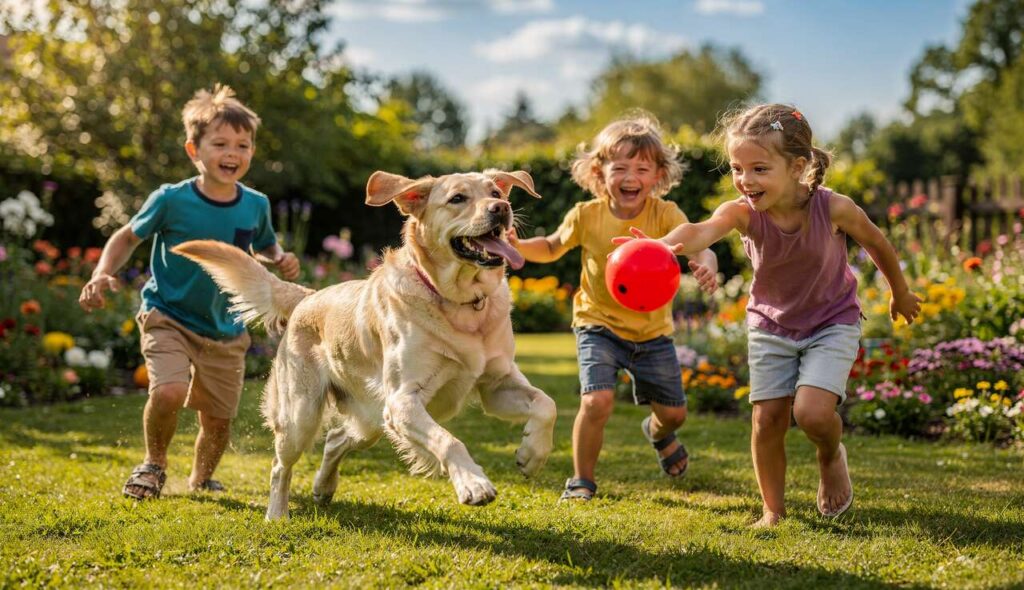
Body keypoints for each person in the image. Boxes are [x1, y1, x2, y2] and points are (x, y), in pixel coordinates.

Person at [631, 103, 921, 525]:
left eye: (759, 169)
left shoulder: (833, 208)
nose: (745, 181)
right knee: (767, 419)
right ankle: (773, 510)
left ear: (798, 166)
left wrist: (900, 290)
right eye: (736, 168)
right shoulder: (742, 213)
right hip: (771, 325)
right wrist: (661, 245)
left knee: (813, 414)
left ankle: (829, 453)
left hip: (831, 322)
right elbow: (700, 231)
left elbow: (876, 241)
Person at [78, 84, 300, 500]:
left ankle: (201, 478)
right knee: (168, 391)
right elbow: (127, 237)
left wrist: (280, 258)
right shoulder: (171, 199)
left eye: (242, 144)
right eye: (219, 143)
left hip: (226, 328)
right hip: (169, 315)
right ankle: (153, 465)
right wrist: (102, 272)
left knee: (218, 420)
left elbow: (265, 246)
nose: (232, 153)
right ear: (193, 150)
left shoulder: (256, 204)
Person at [509, 114, 719, 501]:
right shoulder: (586, 215)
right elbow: (553, 246)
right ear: (598, 171)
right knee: (596, 400)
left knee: (674, 414)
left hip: (653, 331)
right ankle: (582, 480)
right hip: (597, 324)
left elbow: (701, 243)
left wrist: (706, 266)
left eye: (642, 168)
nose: (630, 176)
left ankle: (658, 433)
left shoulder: (666, 214)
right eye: (619, 167)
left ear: (658, 175)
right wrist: (517, 246)